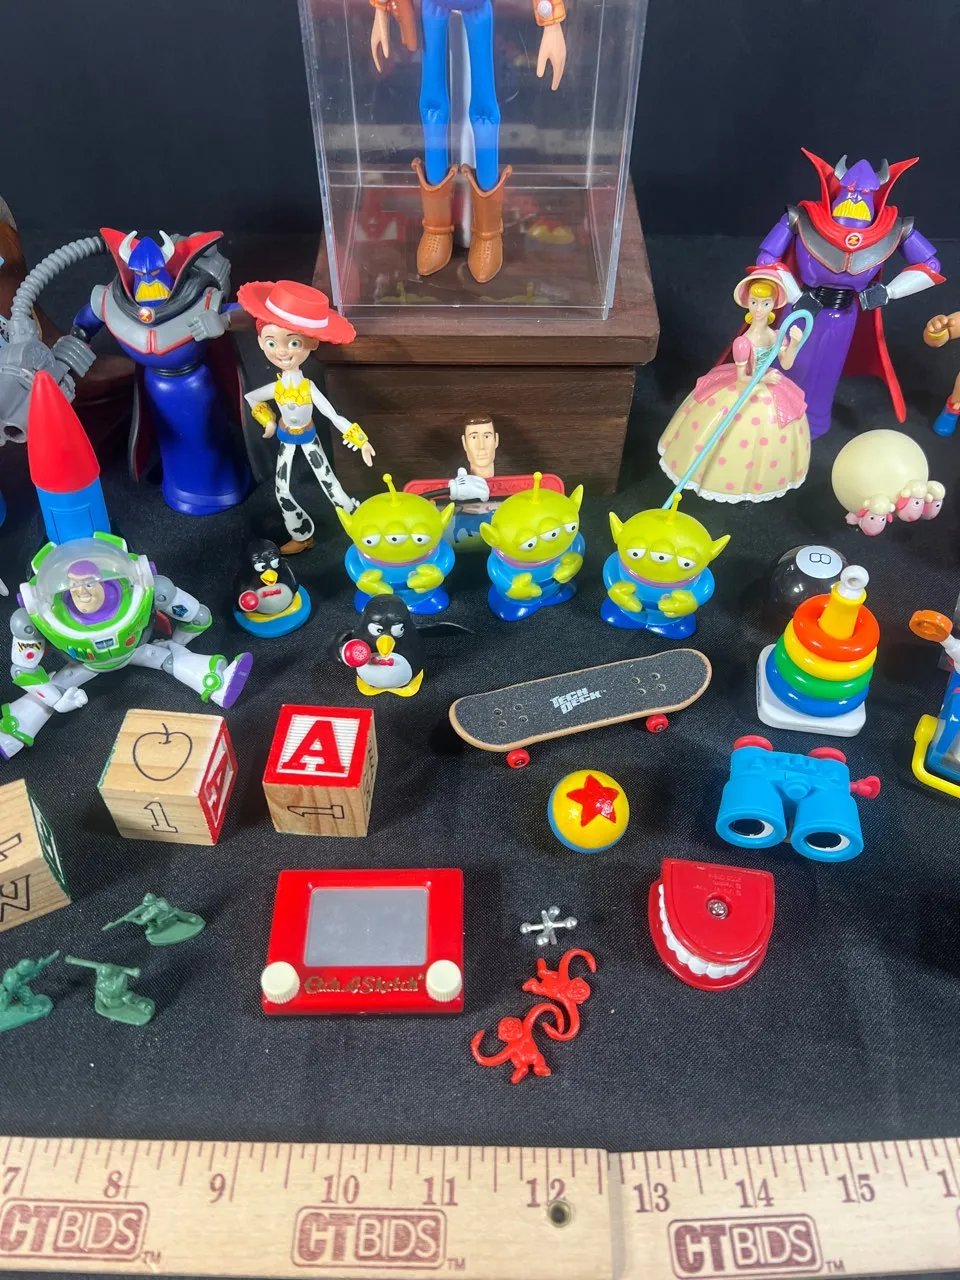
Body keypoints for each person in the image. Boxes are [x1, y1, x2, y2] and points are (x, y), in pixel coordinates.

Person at [238, 280, 376, 555]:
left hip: (309, 439)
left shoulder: (307, 388)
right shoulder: (277, 388)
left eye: (293, 343)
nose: (282, 352)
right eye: (271, 342)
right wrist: (268, 421)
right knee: (282, 489)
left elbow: (333, 414)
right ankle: (301, 535)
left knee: (331, 485)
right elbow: (252, 398)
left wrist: (361, 441)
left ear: (311, 344)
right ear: (261, 342)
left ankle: (358, 525)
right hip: (286, 439)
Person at [658, 276, 810, 504]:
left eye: (765, 303)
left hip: (769, 391)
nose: (759, 309)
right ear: (747, 303)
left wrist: (795, 344)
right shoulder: (743, 342)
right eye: (754, 302)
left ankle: (751, 484)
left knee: (767, 434)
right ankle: (713, 478)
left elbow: (786, 363)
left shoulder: (776, 335)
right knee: (721, 431)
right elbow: (742, 379)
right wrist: (762, 379)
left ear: (773, 305)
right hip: (746, 387)